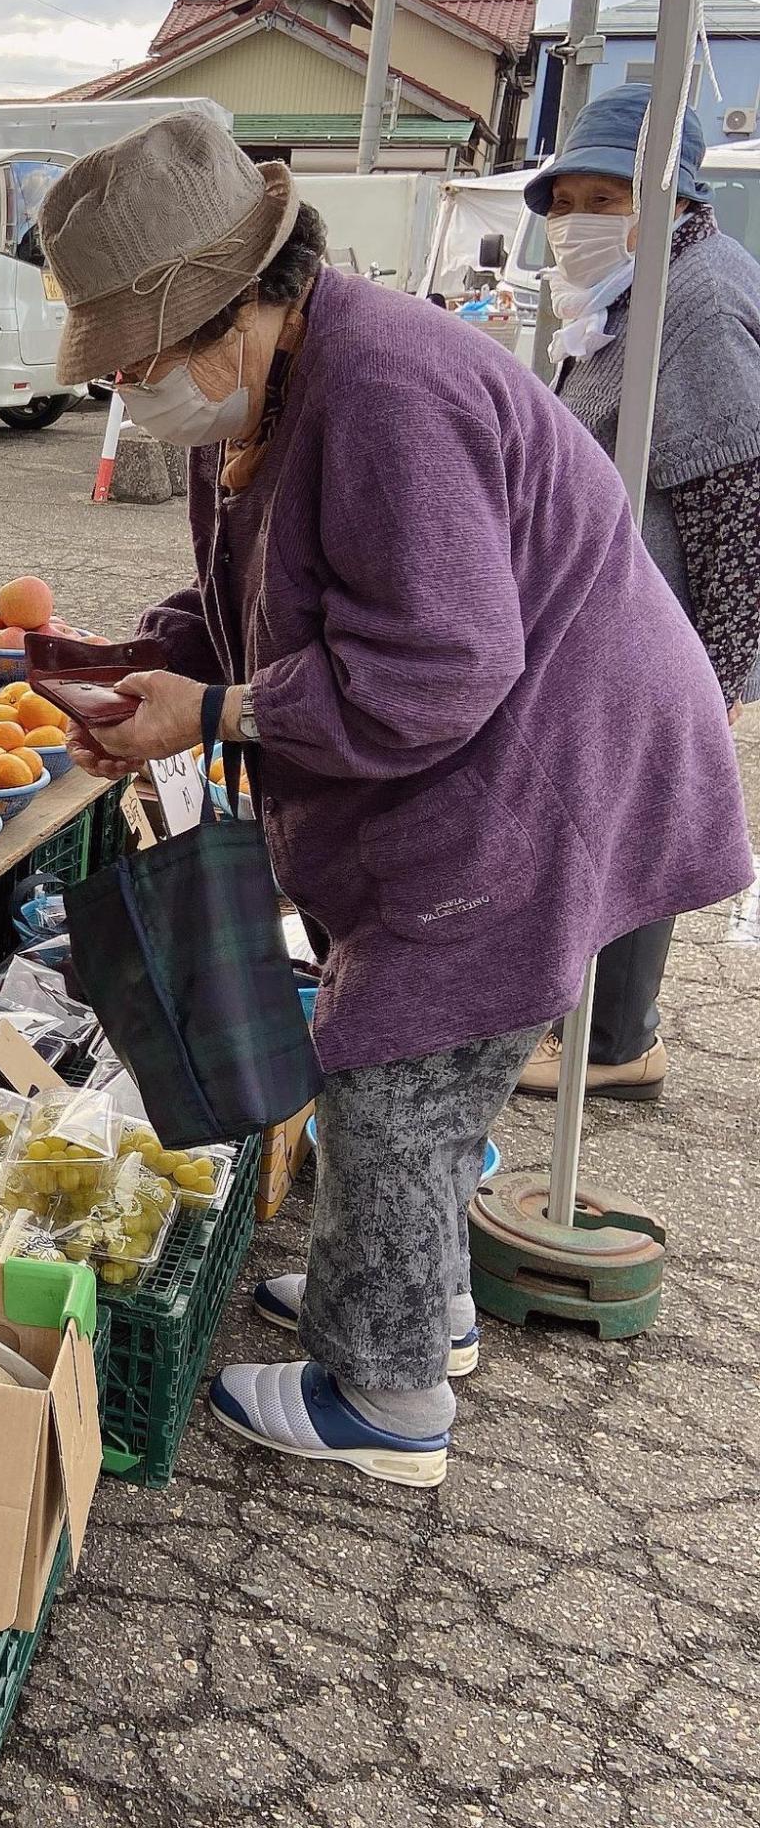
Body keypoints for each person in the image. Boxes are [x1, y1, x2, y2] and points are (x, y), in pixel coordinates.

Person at [37, 113, 751, 1488]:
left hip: (532, 761)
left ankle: (389, 1399)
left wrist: (226, 713)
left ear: (233, 312)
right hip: (496, 747)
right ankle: (414, 1300)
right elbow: (247, 599)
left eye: (137, 356)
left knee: (398, 1068)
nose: (130, 389)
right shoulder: (267, 394)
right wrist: (141, 658)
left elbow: (439, 664)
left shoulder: (382, 391)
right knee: (406, 1068)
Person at [515, 83, 760, 1104]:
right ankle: (593, 1018)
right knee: (596, 808)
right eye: (562, 198)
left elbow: (733, 493)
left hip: (655, 617)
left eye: (601, 196)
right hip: (604, 609)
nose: (575, 220)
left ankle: (616, 1041)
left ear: (667, 195)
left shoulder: (695, 301)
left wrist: (719, 670)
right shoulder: (623, 293)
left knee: (626, 814)